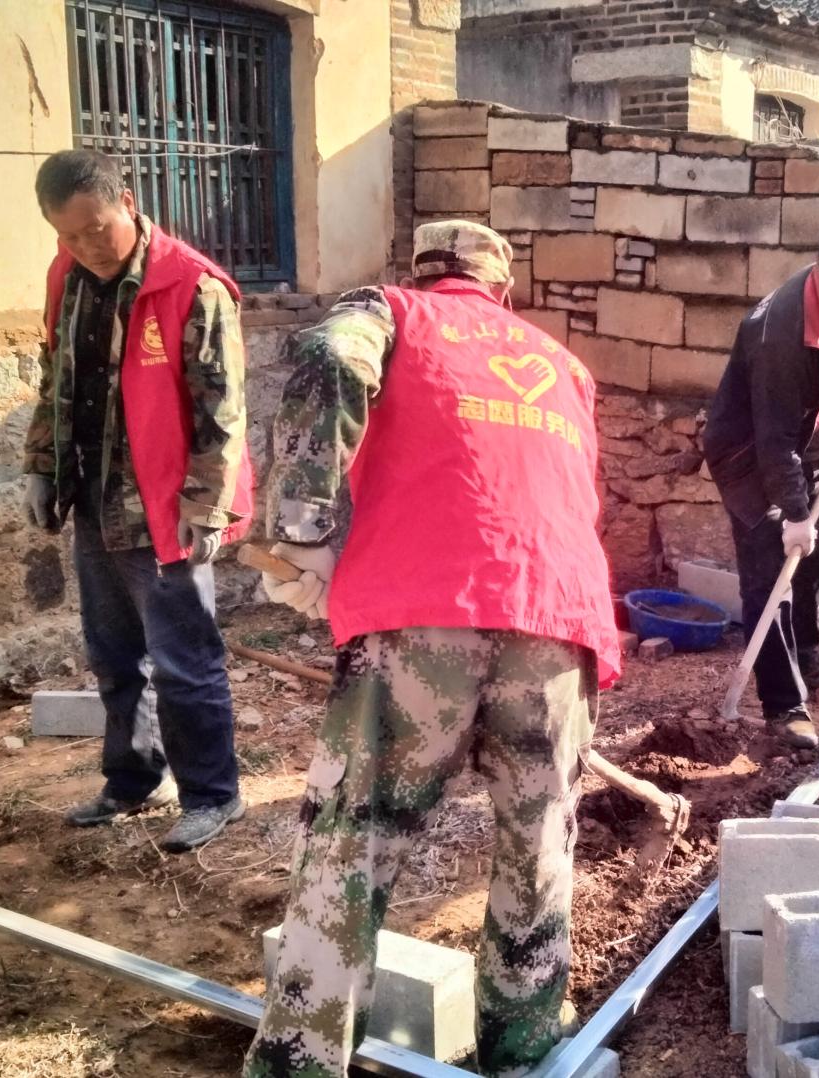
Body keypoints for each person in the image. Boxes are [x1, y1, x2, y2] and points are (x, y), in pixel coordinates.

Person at [245, 220, 622, 1078]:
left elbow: (330, 356)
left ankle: (303, 1062)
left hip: (424, 615)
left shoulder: (394, 313)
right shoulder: (563, 366)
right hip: (558, 622)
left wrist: (302, 531)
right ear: (502, 289)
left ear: (421, 273)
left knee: (351, 845)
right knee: (537, 853)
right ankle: (525, 1051)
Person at [23, 149, 251, 852]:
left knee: (185, 661)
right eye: (69, 235)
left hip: (164, 510)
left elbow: (223, 415)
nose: (87, 246)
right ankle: (133, 780)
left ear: (127, 201)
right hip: (96, 501)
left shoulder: (192, 286)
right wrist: (42, 467)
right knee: (114, 657)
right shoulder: (66, 278)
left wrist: (208, 508)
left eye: (96, 228)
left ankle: (213, 795)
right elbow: (55, 379)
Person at [702, 218, 819, 751]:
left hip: (810, 448)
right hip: (752, 456)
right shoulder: (779, 335)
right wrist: (792, 514)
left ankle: (805, 655)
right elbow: (773, 438)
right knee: (772, 574)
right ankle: (783, 706)